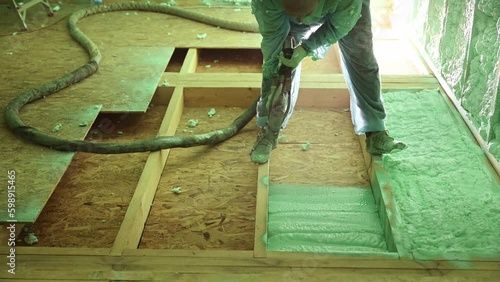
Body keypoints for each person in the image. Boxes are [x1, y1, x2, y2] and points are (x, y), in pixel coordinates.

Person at [250, 0, 407, 164]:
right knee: (280, 60)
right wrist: (278, 66)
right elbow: (272, 46)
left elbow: (340, 25)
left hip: (346, 8)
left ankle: (375, 131)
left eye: (304, 14)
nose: (302, 21)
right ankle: (269, 131)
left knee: (361, 55)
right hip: (281, 11)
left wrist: (305, 49)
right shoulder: (265, 2)